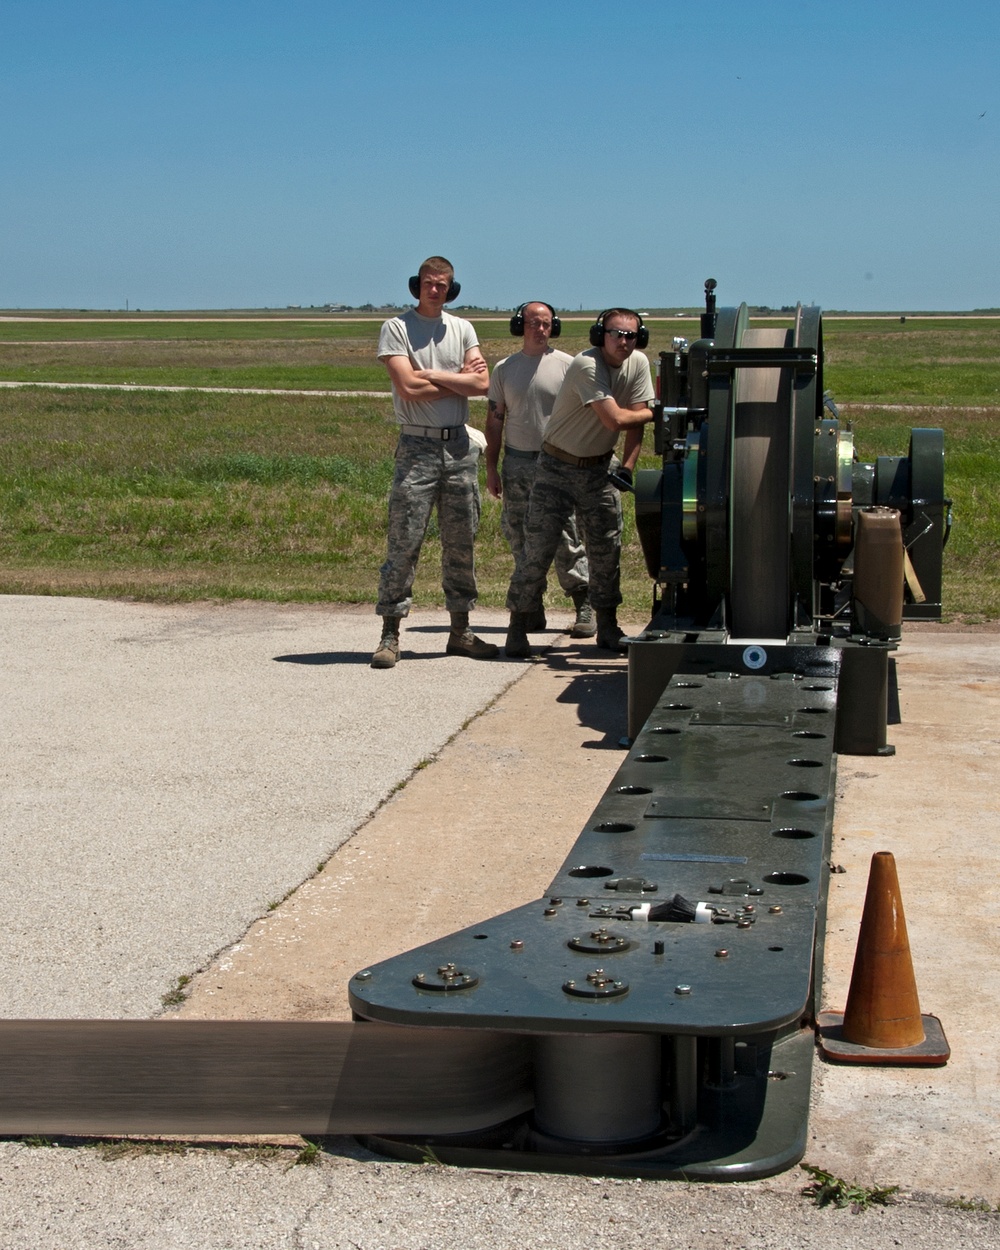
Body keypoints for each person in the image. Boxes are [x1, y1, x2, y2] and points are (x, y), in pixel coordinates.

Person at [504, 308, 655, 658]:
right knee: (536, 549)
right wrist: (658, 410)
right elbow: (617, 418)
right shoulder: (587, 365)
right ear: (599, 335)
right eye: (616, 334)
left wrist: (628, 467)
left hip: (600, 468)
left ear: (639, 338)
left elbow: (636, 423)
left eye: (631, 336)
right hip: (556, 465)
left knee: (606, 550)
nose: (623, 341)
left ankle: (608, 625)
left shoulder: (638, 364)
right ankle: (517, 626)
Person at [372, 256, 498, 669]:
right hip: (416, 447)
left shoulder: (463, 328)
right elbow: (407, 388)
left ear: (451, 289)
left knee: (461, 542)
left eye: (442, 285)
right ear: (417, 285)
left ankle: (460, 631)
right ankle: (390, 634)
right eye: (429, 283)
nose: (435, 290)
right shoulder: (396, 328)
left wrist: (433, 376)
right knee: (404, 541)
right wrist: (453, 378)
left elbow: (481, 384)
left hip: (459, 447)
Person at [486, 301, 595, 638]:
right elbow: (494, 419)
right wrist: (491, 466)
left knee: (564, 535)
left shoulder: (568, 366)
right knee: (519, 535)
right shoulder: (505, 369)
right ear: (520, 325)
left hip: (556, 462)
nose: (540, 329)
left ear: (554, 326)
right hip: (517, 462)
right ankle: (530, 607)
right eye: (533, 323)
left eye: (546, 323)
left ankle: (583, 602)